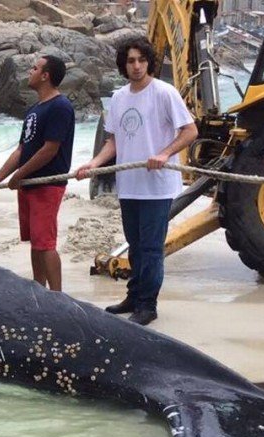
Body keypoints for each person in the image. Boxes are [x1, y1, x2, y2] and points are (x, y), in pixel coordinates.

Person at [75, 38, 197, 326]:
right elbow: (114, 141)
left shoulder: (164, 93)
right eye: (131, 61)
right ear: (124, 64)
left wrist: (165, 153)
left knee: (151, 247)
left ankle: (147, 305)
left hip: (157, 186)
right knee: (135, 244)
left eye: (141, 60)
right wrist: (94, 163)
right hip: (129, 184)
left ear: (149, 62)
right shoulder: (118, 98)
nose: (137, 66)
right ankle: (133, 296)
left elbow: (190, 130)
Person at [0, 55, 74, 291]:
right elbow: (22, 149)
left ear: (45, 76)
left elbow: (50, 149)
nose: (29, 72)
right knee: (35, 243)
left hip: (47, 184)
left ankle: (57, 298)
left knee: (46, 243)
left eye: (34, 68)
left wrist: (20, 175)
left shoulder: (60, 106)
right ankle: (38, 290)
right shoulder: (34, 109)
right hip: (29, 184)